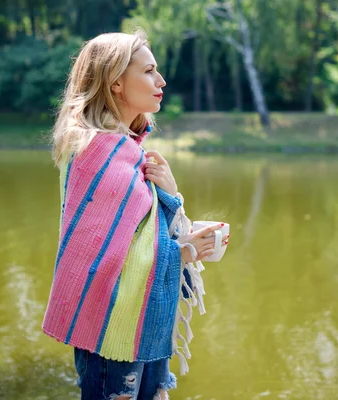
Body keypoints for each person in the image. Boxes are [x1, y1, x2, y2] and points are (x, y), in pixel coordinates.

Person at [41, 30, 230, 400]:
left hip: (139, 321)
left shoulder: (127, 149)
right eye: (148, 71)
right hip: (114, 327)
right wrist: (184, 252)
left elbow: (141, 232)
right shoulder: (97, 151)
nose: (160, 81)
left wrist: (171, 193)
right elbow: (106, 256)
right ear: (115, 83)